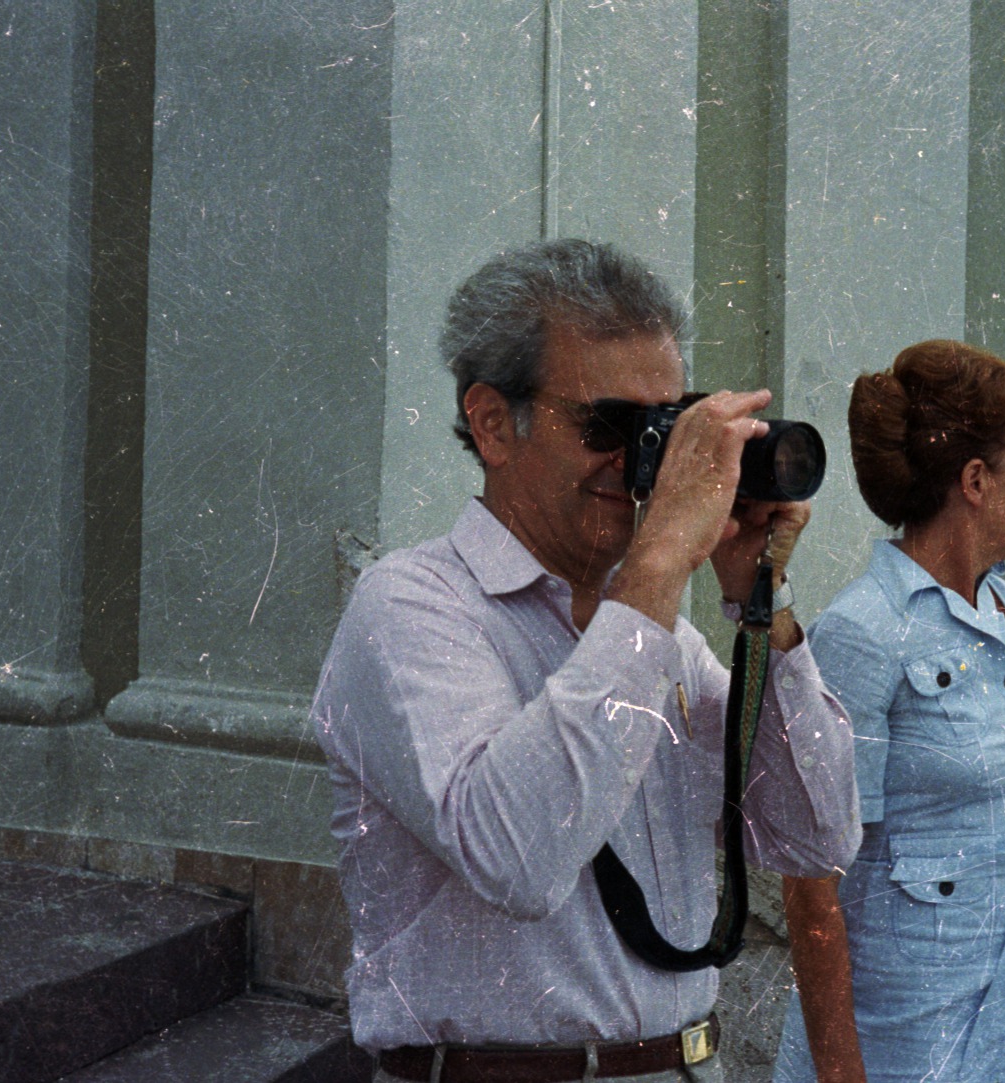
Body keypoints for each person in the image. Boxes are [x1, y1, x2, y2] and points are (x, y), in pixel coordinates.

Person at [309, 239, 861, 1083]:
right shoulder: (410, 606)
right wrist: (653, 573)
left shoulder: (651, 628)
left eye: (665, 425)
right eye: (611, 425)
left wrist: (764, 604)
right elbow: (517, 858)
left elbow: (814, 834)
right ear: (494, 422)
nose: (642, 461)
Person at [772, 340, 1005, 1083]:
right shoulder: (862, 631)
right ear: (975, 481)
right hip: (900, 1044)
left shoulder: (1002, 607)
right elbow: (811, 880)